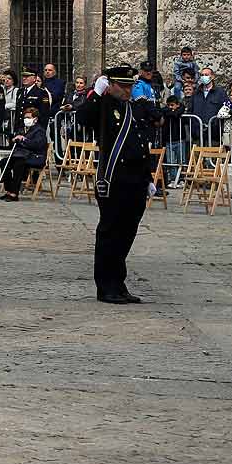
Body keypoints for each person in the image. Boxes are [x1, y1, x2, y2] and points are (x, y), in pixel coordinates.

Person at [79, 65, 153, 304]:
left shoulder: (131, 108)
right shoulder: (103, 105)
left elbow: (141, 144)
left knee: (127, 234)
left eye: (130, 86)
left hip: (136, 180)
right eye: (122, 86)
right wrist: (95, 93)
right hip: (114, 179)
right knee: (110, 233)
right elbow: (83, 118)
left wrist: (148, 178)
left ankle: (118, 283)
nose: (127, 90)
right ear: (110, 85)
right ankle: (105, 286)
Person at [1, 101, 50, 201]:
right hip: (22, 155)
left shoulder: (39, 130)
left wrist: (24, 139)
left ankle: (14, 193)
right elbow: (16, 143)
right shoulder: (22, 129)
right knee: (4, 162)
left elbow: (38, 145)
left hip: (35, 156)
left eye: (29, 118)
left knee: (19, 164)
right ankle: (9, 190)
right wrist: (14, 139)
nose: (26, 120)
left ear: (35, 119)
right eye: (25, 118)